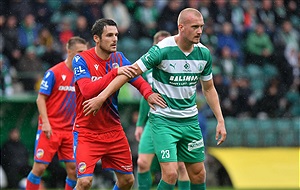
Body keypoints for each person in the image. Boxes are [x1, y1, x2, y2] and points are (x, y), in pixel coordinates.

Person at [82, 8, 227, 190]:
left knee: (198, 173)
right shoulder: (162, 50)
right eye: (195, 27)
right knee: (171, 173)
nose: (199, 31)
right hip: (164, 121)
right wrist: (102, 97)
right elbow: (130, 72)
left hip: (190, 121)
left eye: (201, 27)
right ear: (181, 27)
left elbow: (209, 88)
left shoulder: (204, 54)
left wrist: (220, 120)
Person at [71, 18, 165, 190]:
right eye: (109, 35)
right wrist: (114, 73)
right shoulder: (81, 59)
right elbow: (87, 91)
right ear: (96, 38)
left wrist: (148, 94)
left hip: (113, 132)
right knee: (84, 182)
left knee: (127, 181)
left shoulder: (119, 58)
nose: (114, 39)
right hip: (87, 132)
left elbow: (138, 79)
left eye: (116, 35)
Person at [25, 36, 88, 190]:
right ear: (69, 51)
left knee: (73, 171)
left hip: (70, 131)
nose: (83, 55)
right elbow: (40, 99)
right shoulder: (54, 72)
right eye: (79, 51)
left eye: (85, 52)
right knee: (39, 168)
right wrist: (45, 122)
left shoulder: (83, 75)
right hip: (50, 128)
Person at [135, 30, 190, 190]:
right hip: (154, 121)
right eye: (160, 43)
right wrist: (140, 123)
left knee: (180, 167)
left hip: (176, 120)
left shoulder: (181, 66)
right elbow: (146, 98)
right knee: (142, 163)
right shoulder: (149, 71)